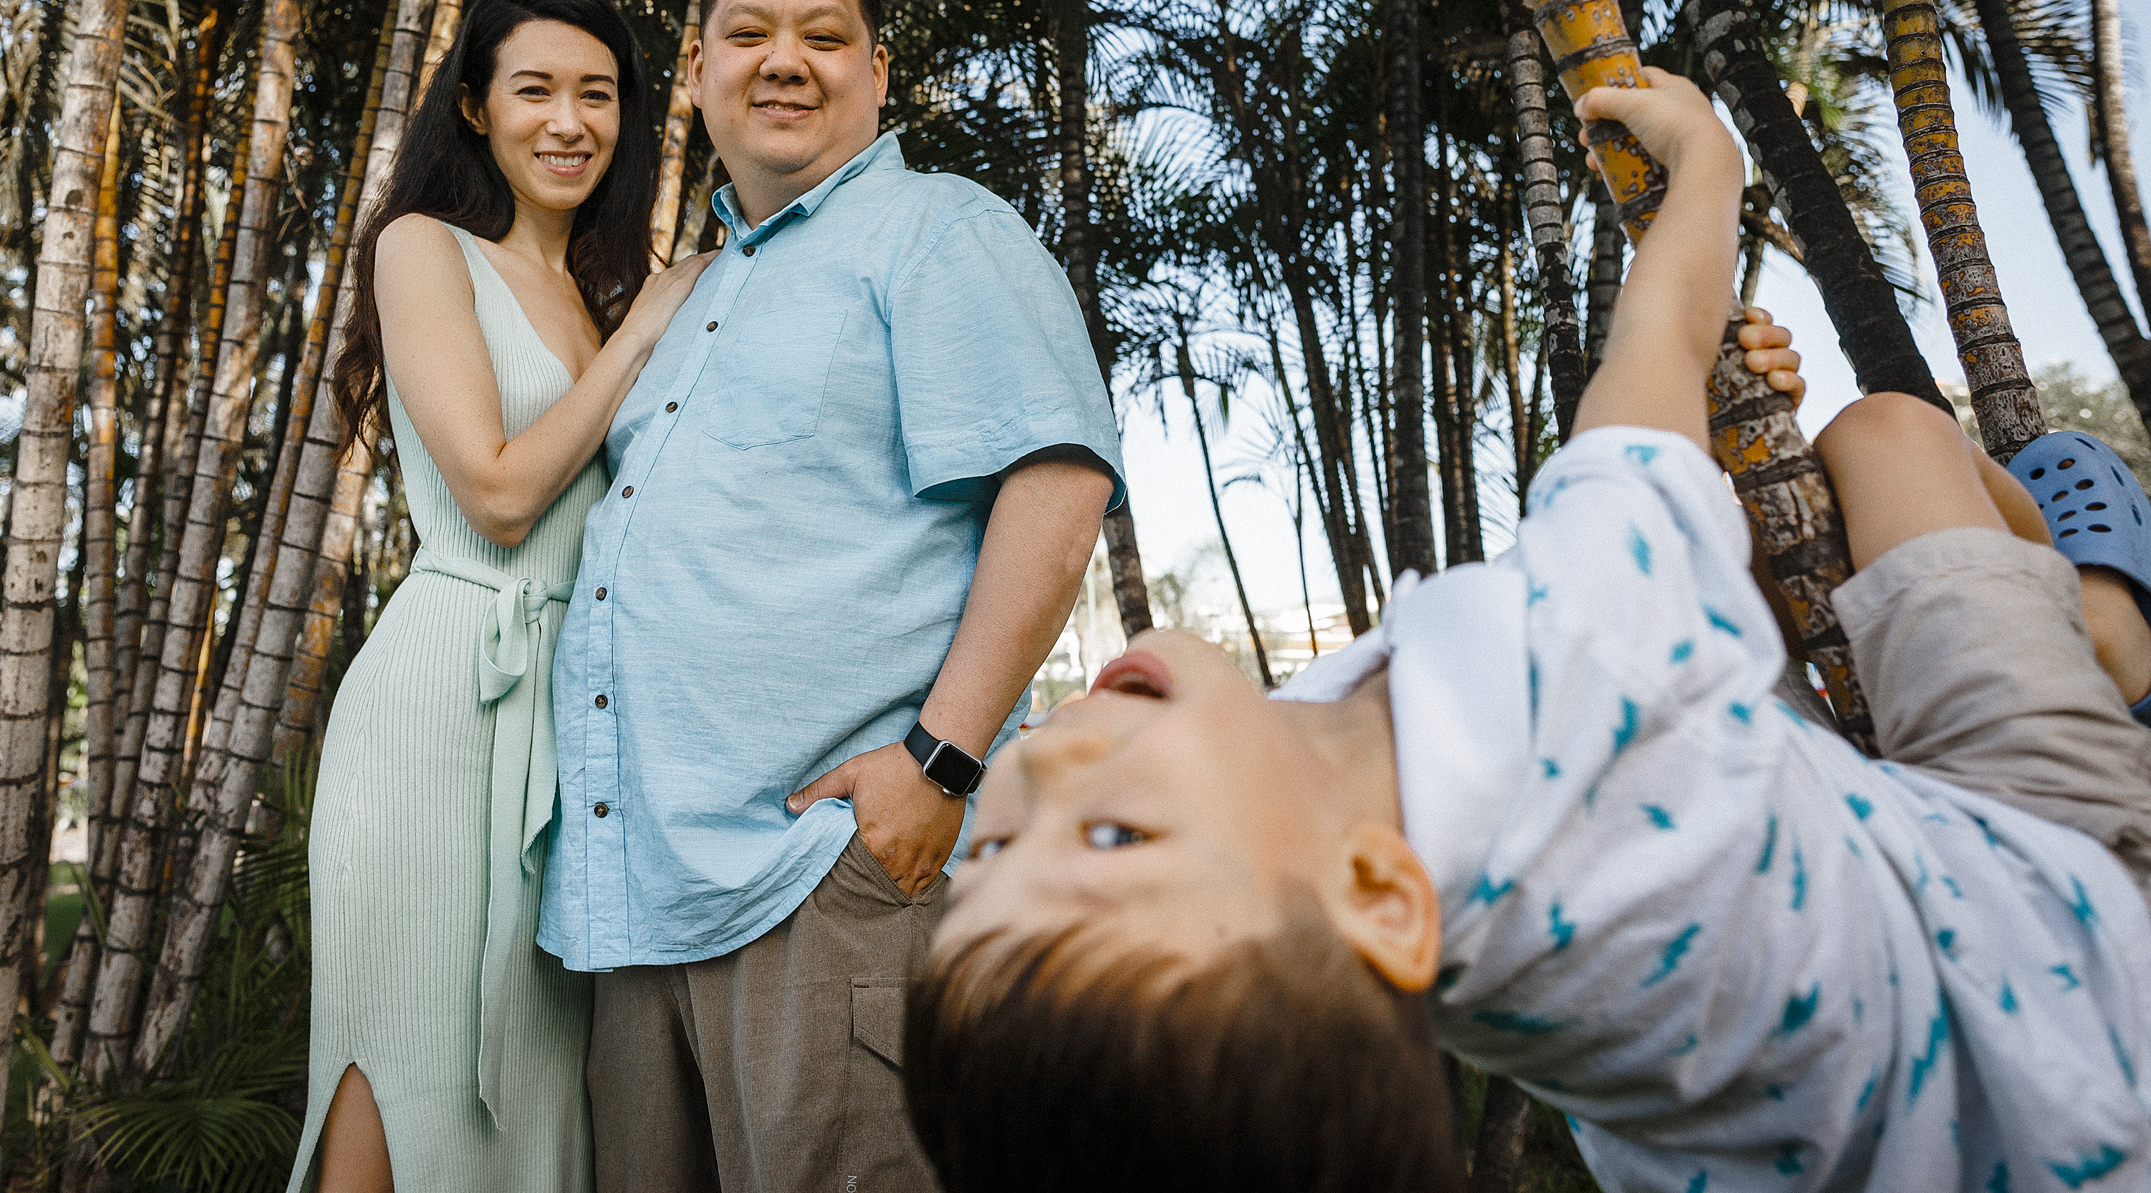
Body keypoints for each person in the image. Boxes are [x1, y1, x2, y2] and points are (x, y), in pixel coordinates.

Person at [905, 68, 2151, 1193]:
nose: (1041, 764)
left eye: (989, 851)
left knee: (1753, 553)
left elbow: (1689, 677)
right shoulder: (1558, 677)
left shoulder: (1374, 903)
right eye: (1114, 835)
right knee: (1890, 437)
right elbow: (1652, 350)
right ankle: (2111, 638)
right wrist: (1707, 167)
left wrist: (1707, 478)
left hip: (1877, 1043)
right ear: (1377, 895)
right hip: (2059, 921)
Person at [538, 0, 1125, 1192]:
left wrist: (942, 762)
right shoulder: (687, 293)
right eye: (749, 34)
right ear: (696, 71)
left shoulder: (937, 230)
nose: (784, 62)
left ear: (874, 67)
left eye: (822, 34)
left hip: (821, 881)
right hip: (641, 905)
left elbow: (1057, 486)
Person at [291, 0, 715, 1192]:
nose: (569, 120)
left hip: (565, 729)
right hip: (442, 699)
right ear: (475, 108)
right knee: (403, 1067)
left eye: (598, 94)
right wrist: (651, 330)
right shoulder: (426, 249)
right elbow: (497, 487)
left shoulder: (600, 297)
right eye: (535, 89)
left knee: (529, 1100)